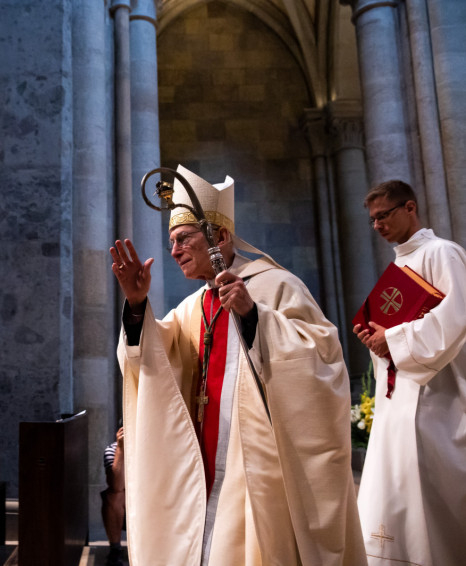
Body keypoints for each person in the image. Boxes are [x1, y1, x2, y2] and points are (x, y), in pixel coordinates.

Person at [109, 165, 364, 565]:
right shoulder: (193, 306)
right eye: (171, 241)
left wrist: (254, 316)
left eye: (183, 239)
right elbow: (151, 358)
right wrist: (138, 305)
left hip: (254, 460)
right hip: (202, 457)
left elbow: (322, 358)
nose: (174, 251)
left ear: (221, 237)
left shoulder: (276, 285)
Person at [353, 179, 466, 565]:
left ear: (410, 208)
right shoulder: (400, 264)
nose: (378, 225)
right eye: (372, 220)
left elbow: (457, 317)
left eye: (383, 215)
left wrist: (393, 338)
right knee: (393, 488)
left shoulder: (442, 253)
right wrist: (375, 341)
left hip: (437, 398)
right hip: (398, 397)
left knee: (429, 495)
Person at [100, 426, 125, 566]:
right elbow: (116, 485)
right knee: (113, 496)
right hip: (125, 508)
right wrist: (121, 449)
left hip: (151, 503)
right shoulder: (112, 449)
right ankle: (115, 550)